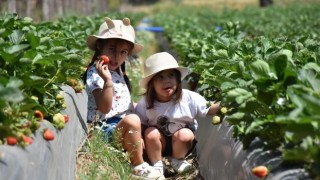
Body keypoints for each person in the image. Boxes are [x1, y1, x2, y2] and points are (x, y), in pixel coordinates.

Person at [83, 17, 164, 180]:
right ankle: (138, 166)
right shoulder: (96, 74)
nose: (116, 56)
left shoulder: (118, 72)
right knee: (134, 119)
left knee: (148, 114)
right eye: (111, 49)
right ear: (100, 46)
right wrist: (107, 81)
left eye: (123, 52)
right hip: (104, 130)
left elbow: (122, 105)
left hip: (119, 127)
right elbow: (105, 108)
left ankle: (158, 159)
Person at [135, 52, 221, 176]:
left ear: (177, 79)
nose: (167, 81)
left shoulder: (188, 97)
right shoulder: (146, 103)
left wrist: (228, 102)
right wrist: (140, 139)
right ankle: (157, 165)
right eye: (160, 77)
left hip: (182, 144)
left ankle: (177, 161)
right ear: (151, 84)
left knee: (185, 134)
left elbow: (209, 109)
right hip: (158, 144)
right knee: (150, 133)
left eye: (171, 75)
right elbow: (141, 124)